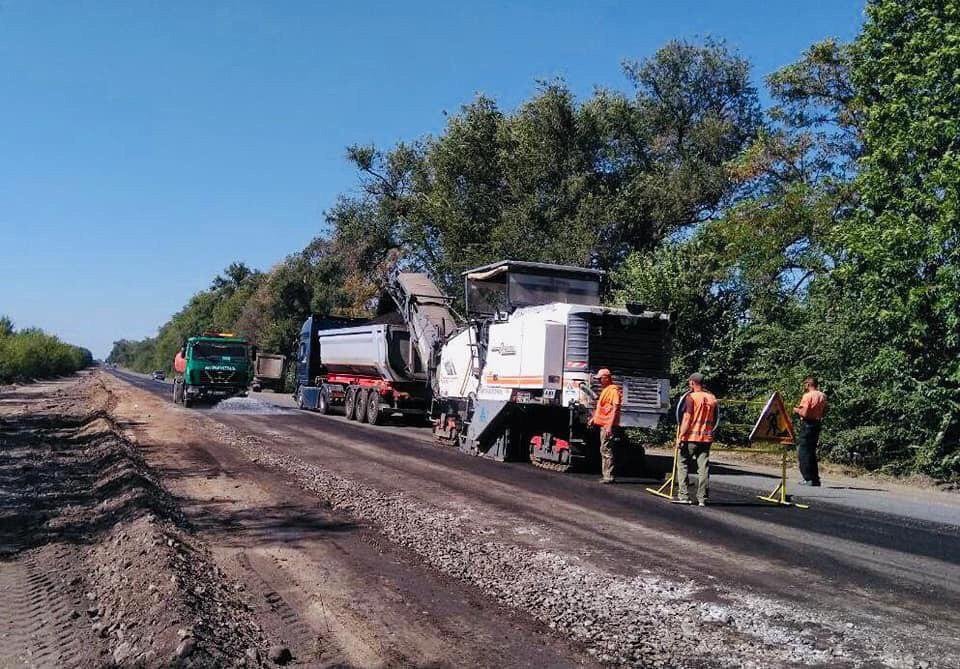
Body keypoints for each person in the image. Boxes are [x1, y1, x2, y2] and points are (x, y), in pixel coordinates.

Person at [675, 372, 718, 506]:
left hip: (690, 437)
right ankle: (702, 498)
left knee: (682, 464)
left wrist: (680, 436)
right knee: (703, 468)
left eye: (689, 382)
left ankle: (684, 495)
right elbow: (716, 419)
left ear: (692, 383)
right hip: (706, 438)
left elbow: (687, 418)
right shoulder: (712, 398)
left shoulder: (691, 397)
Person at [793, 377, 827, 486]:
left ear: (808, 384)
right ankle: (815, 478)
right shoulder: (822, 396)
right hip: (817, 424)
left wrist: (796, 410)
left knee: (803, 452)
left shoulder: (807, 396)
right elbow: (825, 410)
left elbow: (805, 413)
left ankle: (808, 478)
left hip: (807, 424)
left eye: (805, 384)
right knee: (812, 452)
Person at [589, 368, 622, 484]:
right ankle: (606, 475)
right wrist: (594, 418)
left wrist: (609, 426)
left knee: (606, 450)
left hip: (608, 426)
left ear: (607, 378)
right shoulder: (606, 390)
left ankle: (608, 476)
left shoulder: (613, 391)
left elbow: (615, 409)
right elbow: (602, 408)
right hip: (604, 424)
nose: (599, 381)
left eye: (600, 379)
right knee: (604, 449)